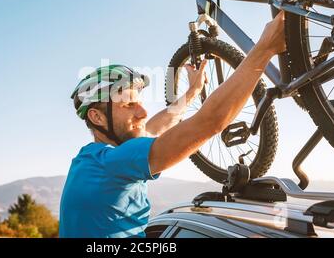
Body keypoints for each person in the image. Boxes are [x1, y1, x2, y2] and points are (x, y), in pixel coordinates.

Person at [59, 12, 287, 238]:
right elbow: (209, 122)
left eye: (139, 103)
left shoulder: (92, 160)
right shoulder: (110, 164)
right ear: (97, 117)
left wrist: (191, 93)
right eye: (128, 105)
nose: (143, 112)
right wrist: (265, 49)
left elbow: (156, 126)